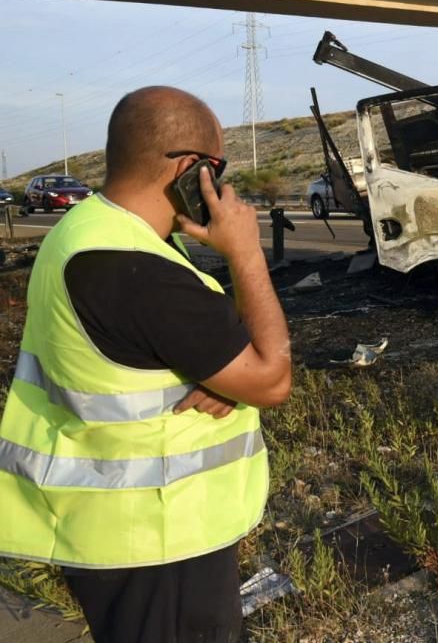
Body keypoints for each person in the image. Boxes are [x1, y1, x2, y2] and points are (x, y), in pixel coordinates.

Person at [0, 86, 292, 642]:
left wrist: (223, 375)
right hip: (159, 537)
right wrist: (247, 252)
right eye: (217, 170)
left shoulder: (88, 232)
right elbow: (272, 377)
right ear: (191, 170)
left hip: (117, 532)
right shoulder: (133, 268)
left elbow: (155, 357)